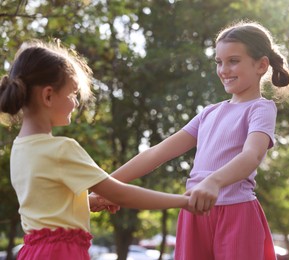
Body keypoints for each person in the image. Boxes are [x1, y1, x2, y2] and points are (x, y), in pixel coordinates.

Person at [92, 20, 289, 260]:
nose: (224, 70)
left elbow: (252, 155)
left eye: (233, 61)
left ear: (261, 65)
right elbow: (156, 153)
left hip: (237, 214)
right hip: (193, 212)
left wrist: (213, 182)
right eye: (219, 62)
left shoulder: (261, 108)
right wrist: (104, 186)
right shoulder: (209, 113)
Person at [0, 40, 191, 260]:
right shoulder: (62, 149)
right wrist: (184, 201)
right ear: (48, 96)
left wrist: (88, 201)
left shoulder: (19, 148)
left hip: (32, 252)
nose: (75, 102)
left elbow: (47, 205)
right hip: (61, 254)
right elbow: (121, 194)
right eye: (72, 93)